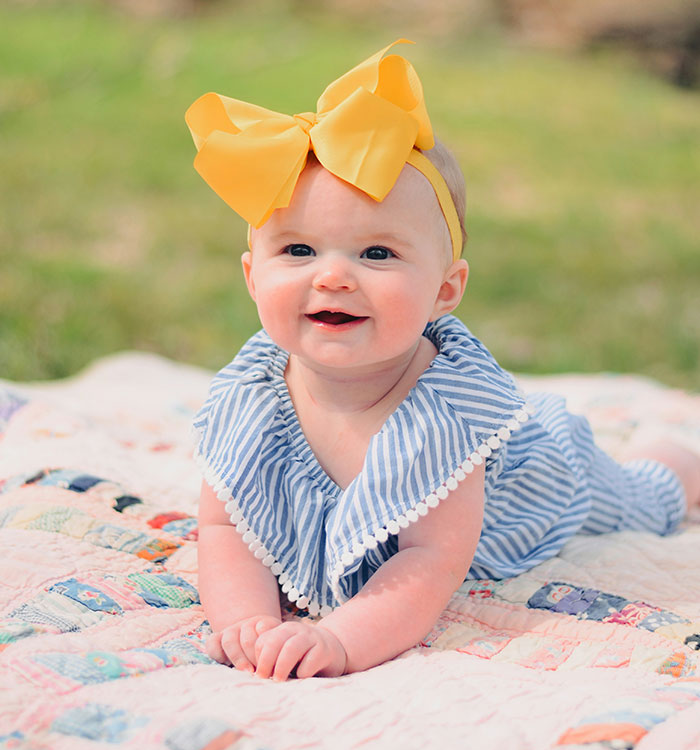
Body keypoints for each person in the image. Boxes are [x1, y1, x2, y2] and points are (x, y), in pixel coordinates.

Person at [186, 40, 700, 682]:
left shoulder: (447, 415)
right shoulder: (248, 395)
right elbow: (226, 526)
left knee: (642, 499)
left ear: (444, 290)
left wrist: (340, 640)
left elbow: (428, 560)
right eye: (297, 250)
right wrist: (245, 621)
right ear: (251, 276)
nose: (334, 277)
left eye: (377, 254)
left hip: (537, 490)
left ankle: (677, 462)